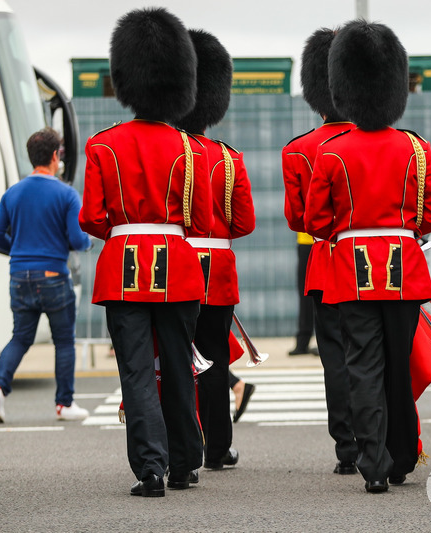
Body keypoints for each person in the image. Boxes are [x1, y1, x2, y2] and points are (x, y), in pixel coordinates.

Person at [305, 20, 431, 492]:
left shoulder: (331, 153)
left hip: (350, 267)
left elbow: (315, 221)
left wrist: (350, 233)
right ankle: (403, 455)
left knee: (362, 364)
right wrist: (403, 230)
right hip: (404, 265)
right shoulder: (415, 147)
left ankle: (373, 463)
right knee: (398, 359)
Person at [78, 8, 212, 498]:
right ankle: (184, 464)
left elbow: (91, 219)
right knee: (177, 365)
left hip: (123, 265)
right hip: (177, 266)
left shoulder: (103, 145)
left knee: (136, 371)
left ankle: (150, 469)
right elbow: (198, 219)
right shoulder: (191, 149)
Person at [173, 29, 256, 471]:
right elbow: (244, 223)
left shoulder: (169, 151)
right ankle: (218, 448)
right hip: (217, 267)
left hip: (175, 263)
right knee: (214, 359)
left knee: (176, 356)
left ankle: (183, 442)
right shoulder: (228, 158)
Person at [283, 27, 358, 475]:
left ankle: (346, 447)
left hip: (322, 259)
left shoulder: (300, 149)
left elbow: (299, 220)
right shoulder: (386, 140)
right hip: (377, 263)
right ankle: (381, 437)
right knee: (370, 352)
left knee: (333, 354)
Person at [0, 127, 91, 424]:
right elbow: (77, 239)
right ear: (56, 156)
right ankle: (64, 404)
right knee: (64, 341)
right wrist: (88, 241)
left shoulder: (13, 193)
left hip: (20, 275)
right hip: (54, 275)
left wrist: (17, 250)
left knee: (20, 337)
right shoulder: (67, 194)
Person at [289, 232, 317, 355]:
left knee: (306, 294)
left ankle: (303, 340)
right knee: (306, 294)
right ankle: (303, 340)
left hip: (312, 242)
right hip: (309, 241)